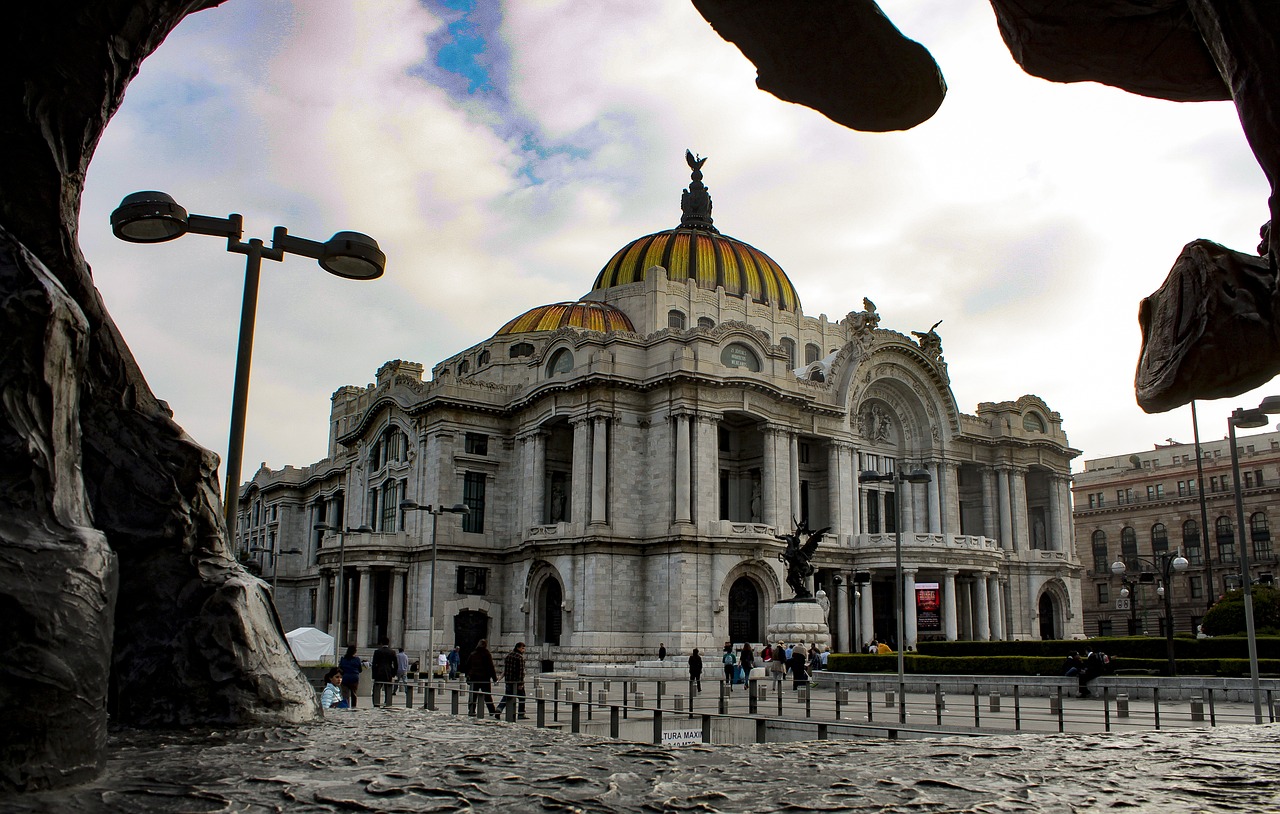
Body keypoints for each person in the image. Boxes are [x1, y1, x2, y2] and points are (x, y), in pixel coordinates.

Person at [465, 639, 499, 717]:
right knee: (487, 696)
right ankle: (491, 710)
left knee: (473, 695)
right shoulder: (487, 654)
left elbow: (467, 666)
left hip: (474, 678)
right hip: (484, 678)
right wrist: (494, 679)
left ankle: (471, 710)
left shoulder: (473, 654)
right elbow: (491, 667)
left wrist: (468, 676)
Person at [495, 641, 528, 719]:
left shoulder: (508, 656)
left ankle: (499, 708)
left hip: (508, 680)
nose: (523, 650)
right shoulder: (520, 657)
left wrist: (500, 678)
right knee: (522, 697)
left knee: (508, 696)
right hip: (517, 681)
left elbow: (506, 669)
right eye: (522, 648)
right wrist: (521, 683)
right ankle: (521, 714)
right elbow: (521, 672)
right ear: (518, 648)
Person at [371, 639, 397, 707]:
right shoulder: (392, 652)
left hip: (379, 672)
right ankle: (387, 703)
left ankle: (376, 703)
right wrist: (393, 673)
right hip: (388, 672)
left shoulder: (377, 651)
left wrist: (374, 675)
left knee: (376, 690)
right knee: (388, 690)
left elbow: (374, 664)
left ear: (381, 643)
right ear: (388, 643)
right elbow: (396, 664)